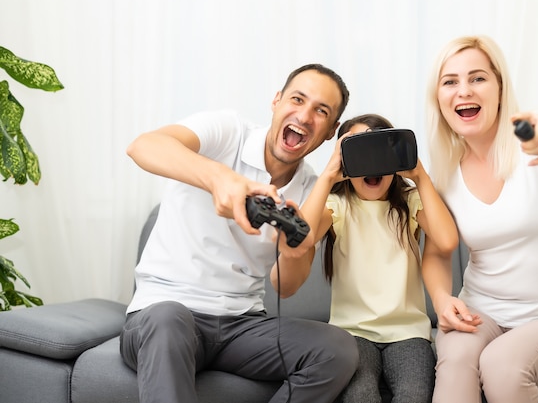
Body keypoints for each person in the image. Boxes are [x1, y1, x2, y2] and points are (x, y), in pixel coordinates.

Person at [120, 63, 360, 403]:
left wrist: (293, 251)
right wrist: (219, 178)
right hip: (164, 312)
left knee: (337, 348)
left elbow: (285, 286)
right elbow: (143, 147)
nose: (304, 116)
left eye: (320, 111)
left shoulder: (313, 194)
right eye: (297, 99)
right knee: (168, 317)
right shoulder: (227, 132)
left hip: (241, 324)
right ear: (276, 101)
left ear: (330, 131)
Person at [424, 35, 538, 403]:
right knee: (455, 361)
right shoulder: (446, 174)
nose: (463, 91)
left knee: (502, 364)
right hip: (480, 312)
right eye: (450, 82)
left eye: (478, 78)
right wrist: (442, 301)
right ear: (438, 99)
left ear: (500, 89)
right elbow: (438, 251)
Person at [298, 113, 459, 403]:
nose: (372, 164)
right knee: (360, 396)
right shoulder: (338, 205)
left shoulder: (409, 203)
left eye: (380, 153)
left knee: (414, 395)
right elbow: (301, 238)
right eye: (361, 153)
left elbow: (447, 241)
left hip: (408, 333)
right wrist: (327, 176)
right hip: (352, 333)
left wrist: (419, 175)